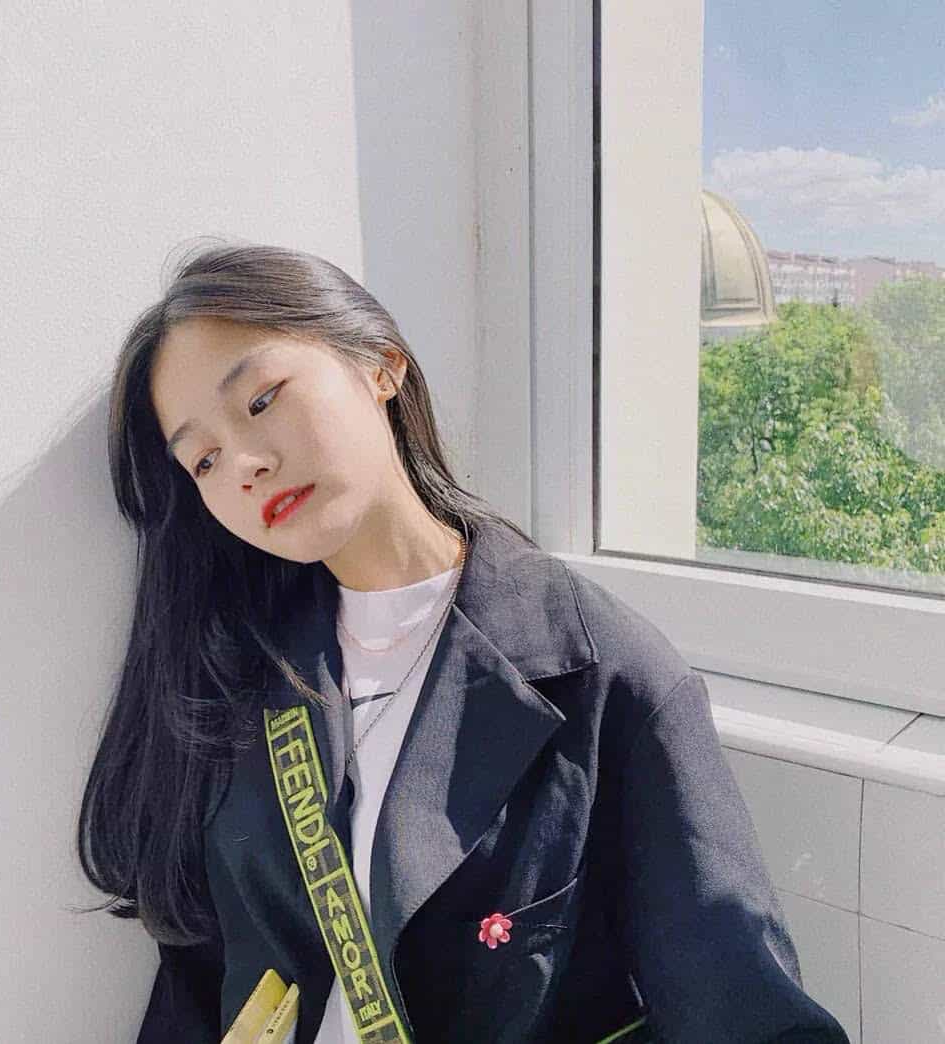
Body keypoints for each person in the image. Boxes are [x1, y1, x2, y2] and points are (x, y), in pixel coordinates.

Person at [76, 239, 851, 1043]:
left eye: (263, 400)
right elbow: (198, 982)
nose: (244, 463)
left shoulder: (603, 673)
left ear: (380, 365)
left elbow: (743, 1010)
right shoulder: (236, 673)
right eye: (203, 460)